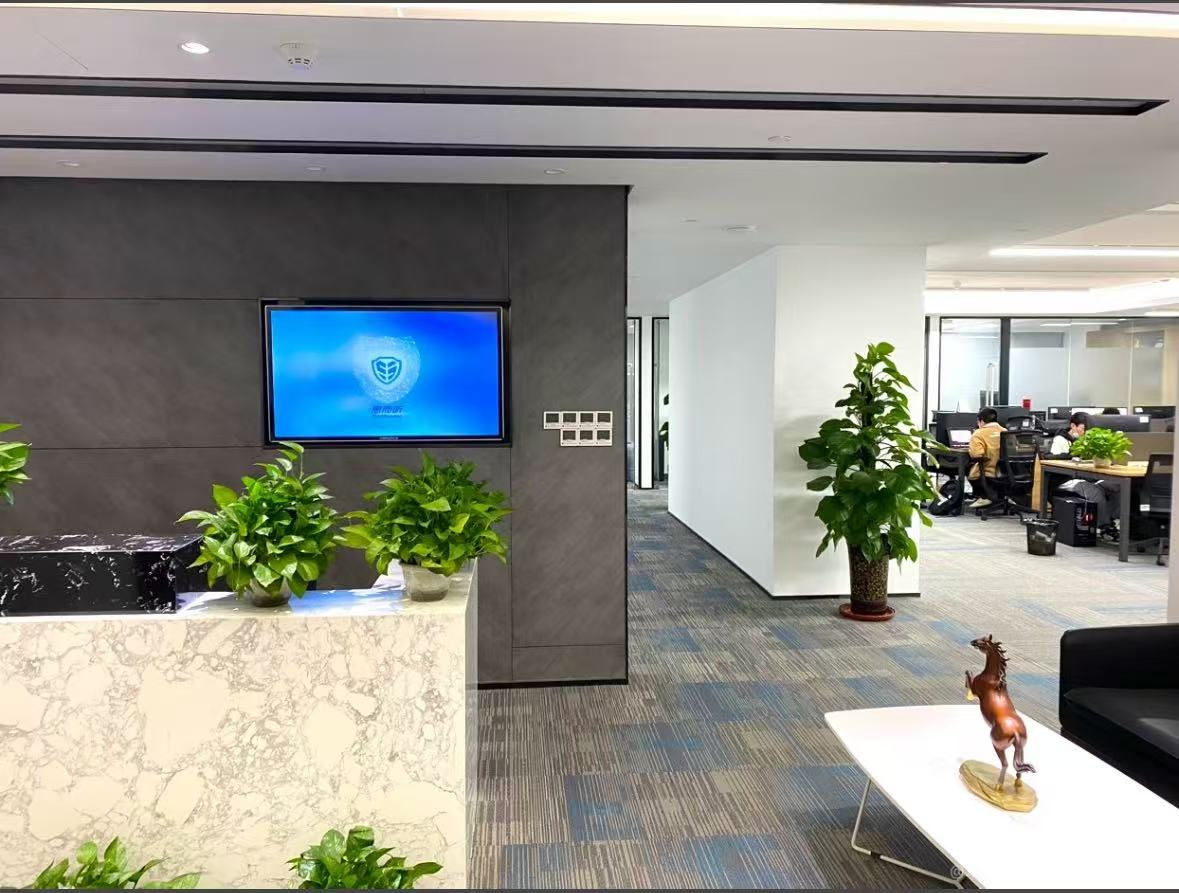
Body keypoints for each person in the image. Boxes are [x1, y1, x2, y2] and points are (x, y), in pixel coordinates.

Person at [968, 407, 1004, 508]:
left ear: (981, 421)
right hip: (1006, 473)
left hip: (989, 473)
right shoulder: (1005, 431)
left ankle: (984, 496)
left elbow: (976, 455)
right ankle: (998, 497)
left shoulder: (978, 433)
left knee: (968, 468)